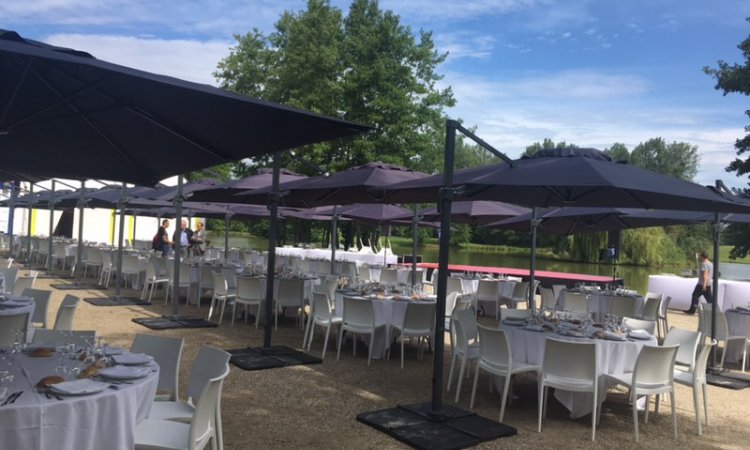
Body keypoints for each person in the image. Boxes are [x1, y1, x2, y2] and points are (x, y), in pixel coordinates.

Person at [685, 250, 713, 315]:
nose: (700, 257)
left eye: (700, 256)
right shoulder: (710, 264)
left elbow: (705, 275)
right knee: (709, 299)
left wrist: (704, 285)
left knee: (695, 295)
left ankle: (692, 311)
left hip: (702, 284)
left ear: (702, 256)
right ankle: (715, 311)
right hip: (708, 284)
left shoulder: (703, 264)